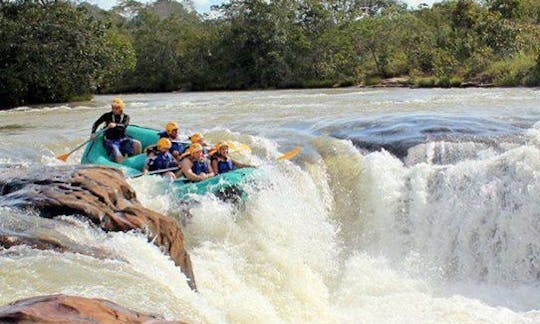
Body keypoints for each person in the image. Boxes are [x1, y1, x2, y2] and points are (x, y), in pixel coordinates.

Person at [91, 98, 141, 163]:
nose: (114, 110)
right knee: (118, 155)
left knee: (137, 144)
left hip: (123, 139)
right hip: (111, 141)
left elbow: (124, 126)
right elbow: (96, 123)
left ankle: (134, 163)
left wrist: (115, 125)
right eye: (113, 108)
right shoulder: (107, 115)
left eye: (116, 108)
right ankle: (121, 165)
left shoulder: (126, 117)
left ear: (121, 108)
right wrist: (93, 133)